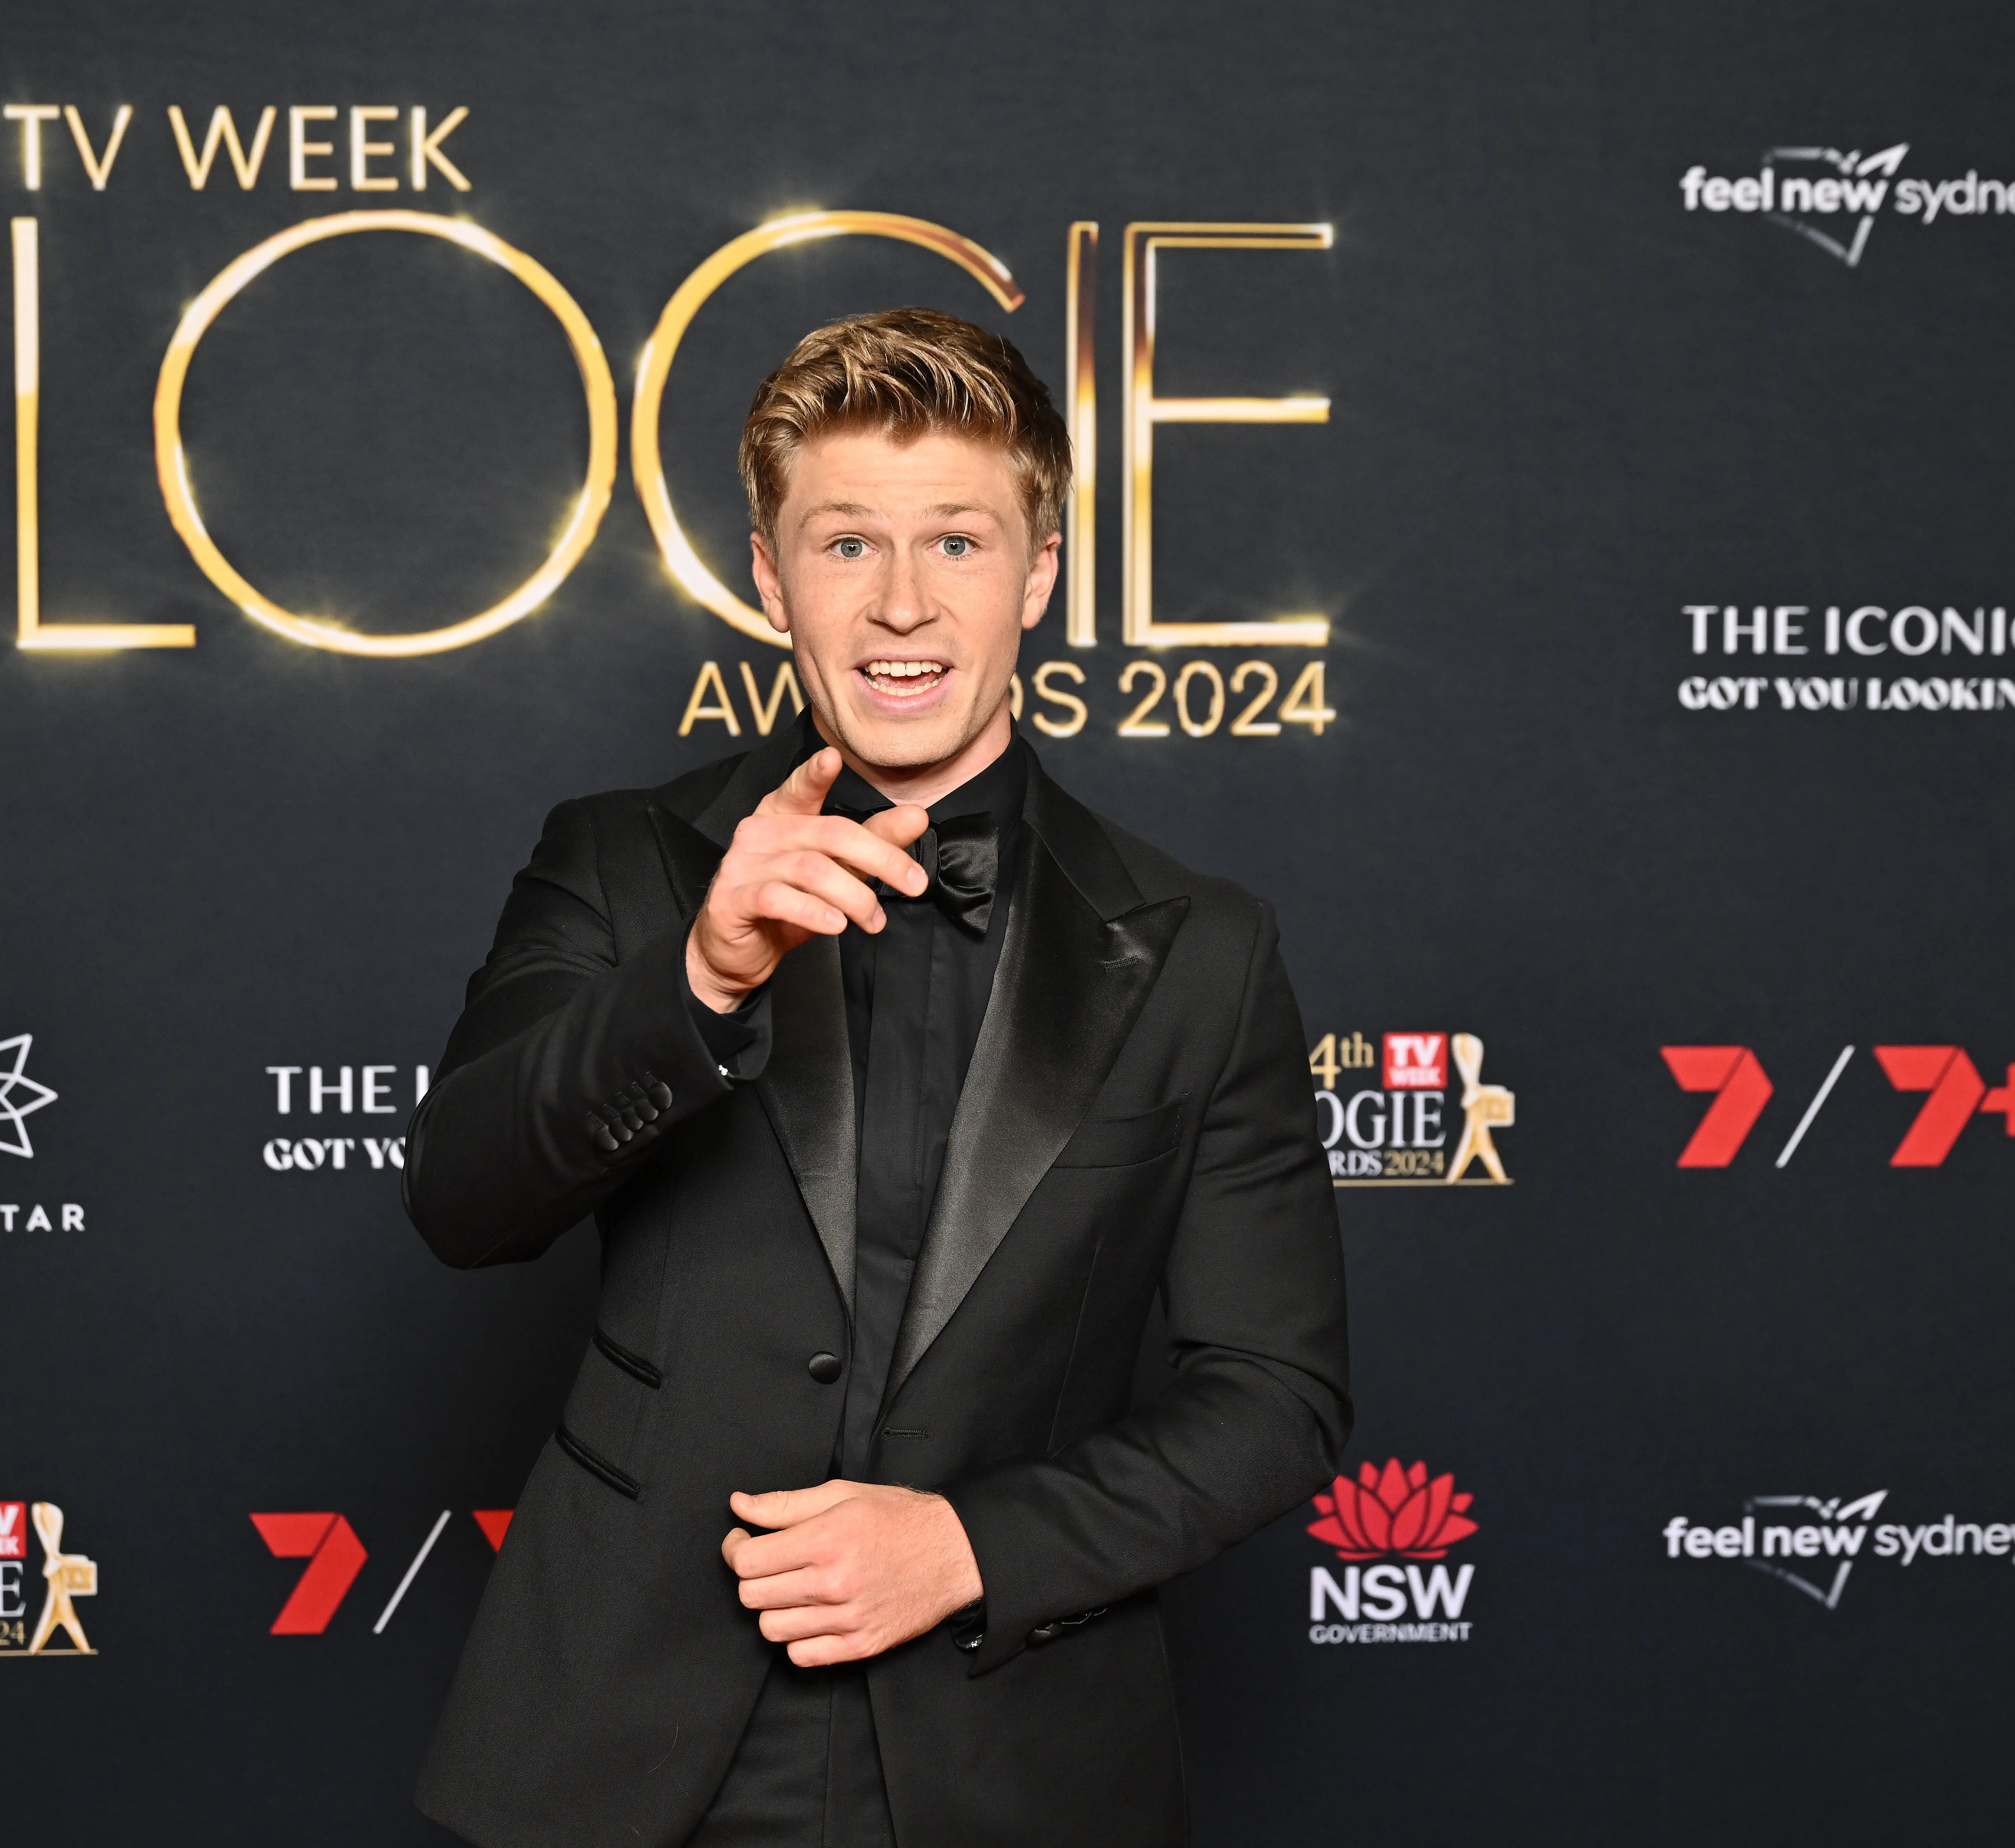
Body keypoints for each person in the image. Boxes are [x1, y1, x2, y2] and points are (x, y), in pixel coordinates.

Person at [401, 307, 1349, 1847]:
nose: (903, 603)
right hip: (623, 1759)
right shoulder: (623, 864)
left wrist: (971, 1546)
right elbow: (460, 1201)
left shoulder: (1203, 949)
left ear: (1037, 573)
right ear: (771, 577)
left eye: (957, 543)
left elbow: (1275, 1398)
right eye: (846, 544)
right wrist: (699, 977)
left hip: (1020, 1753)